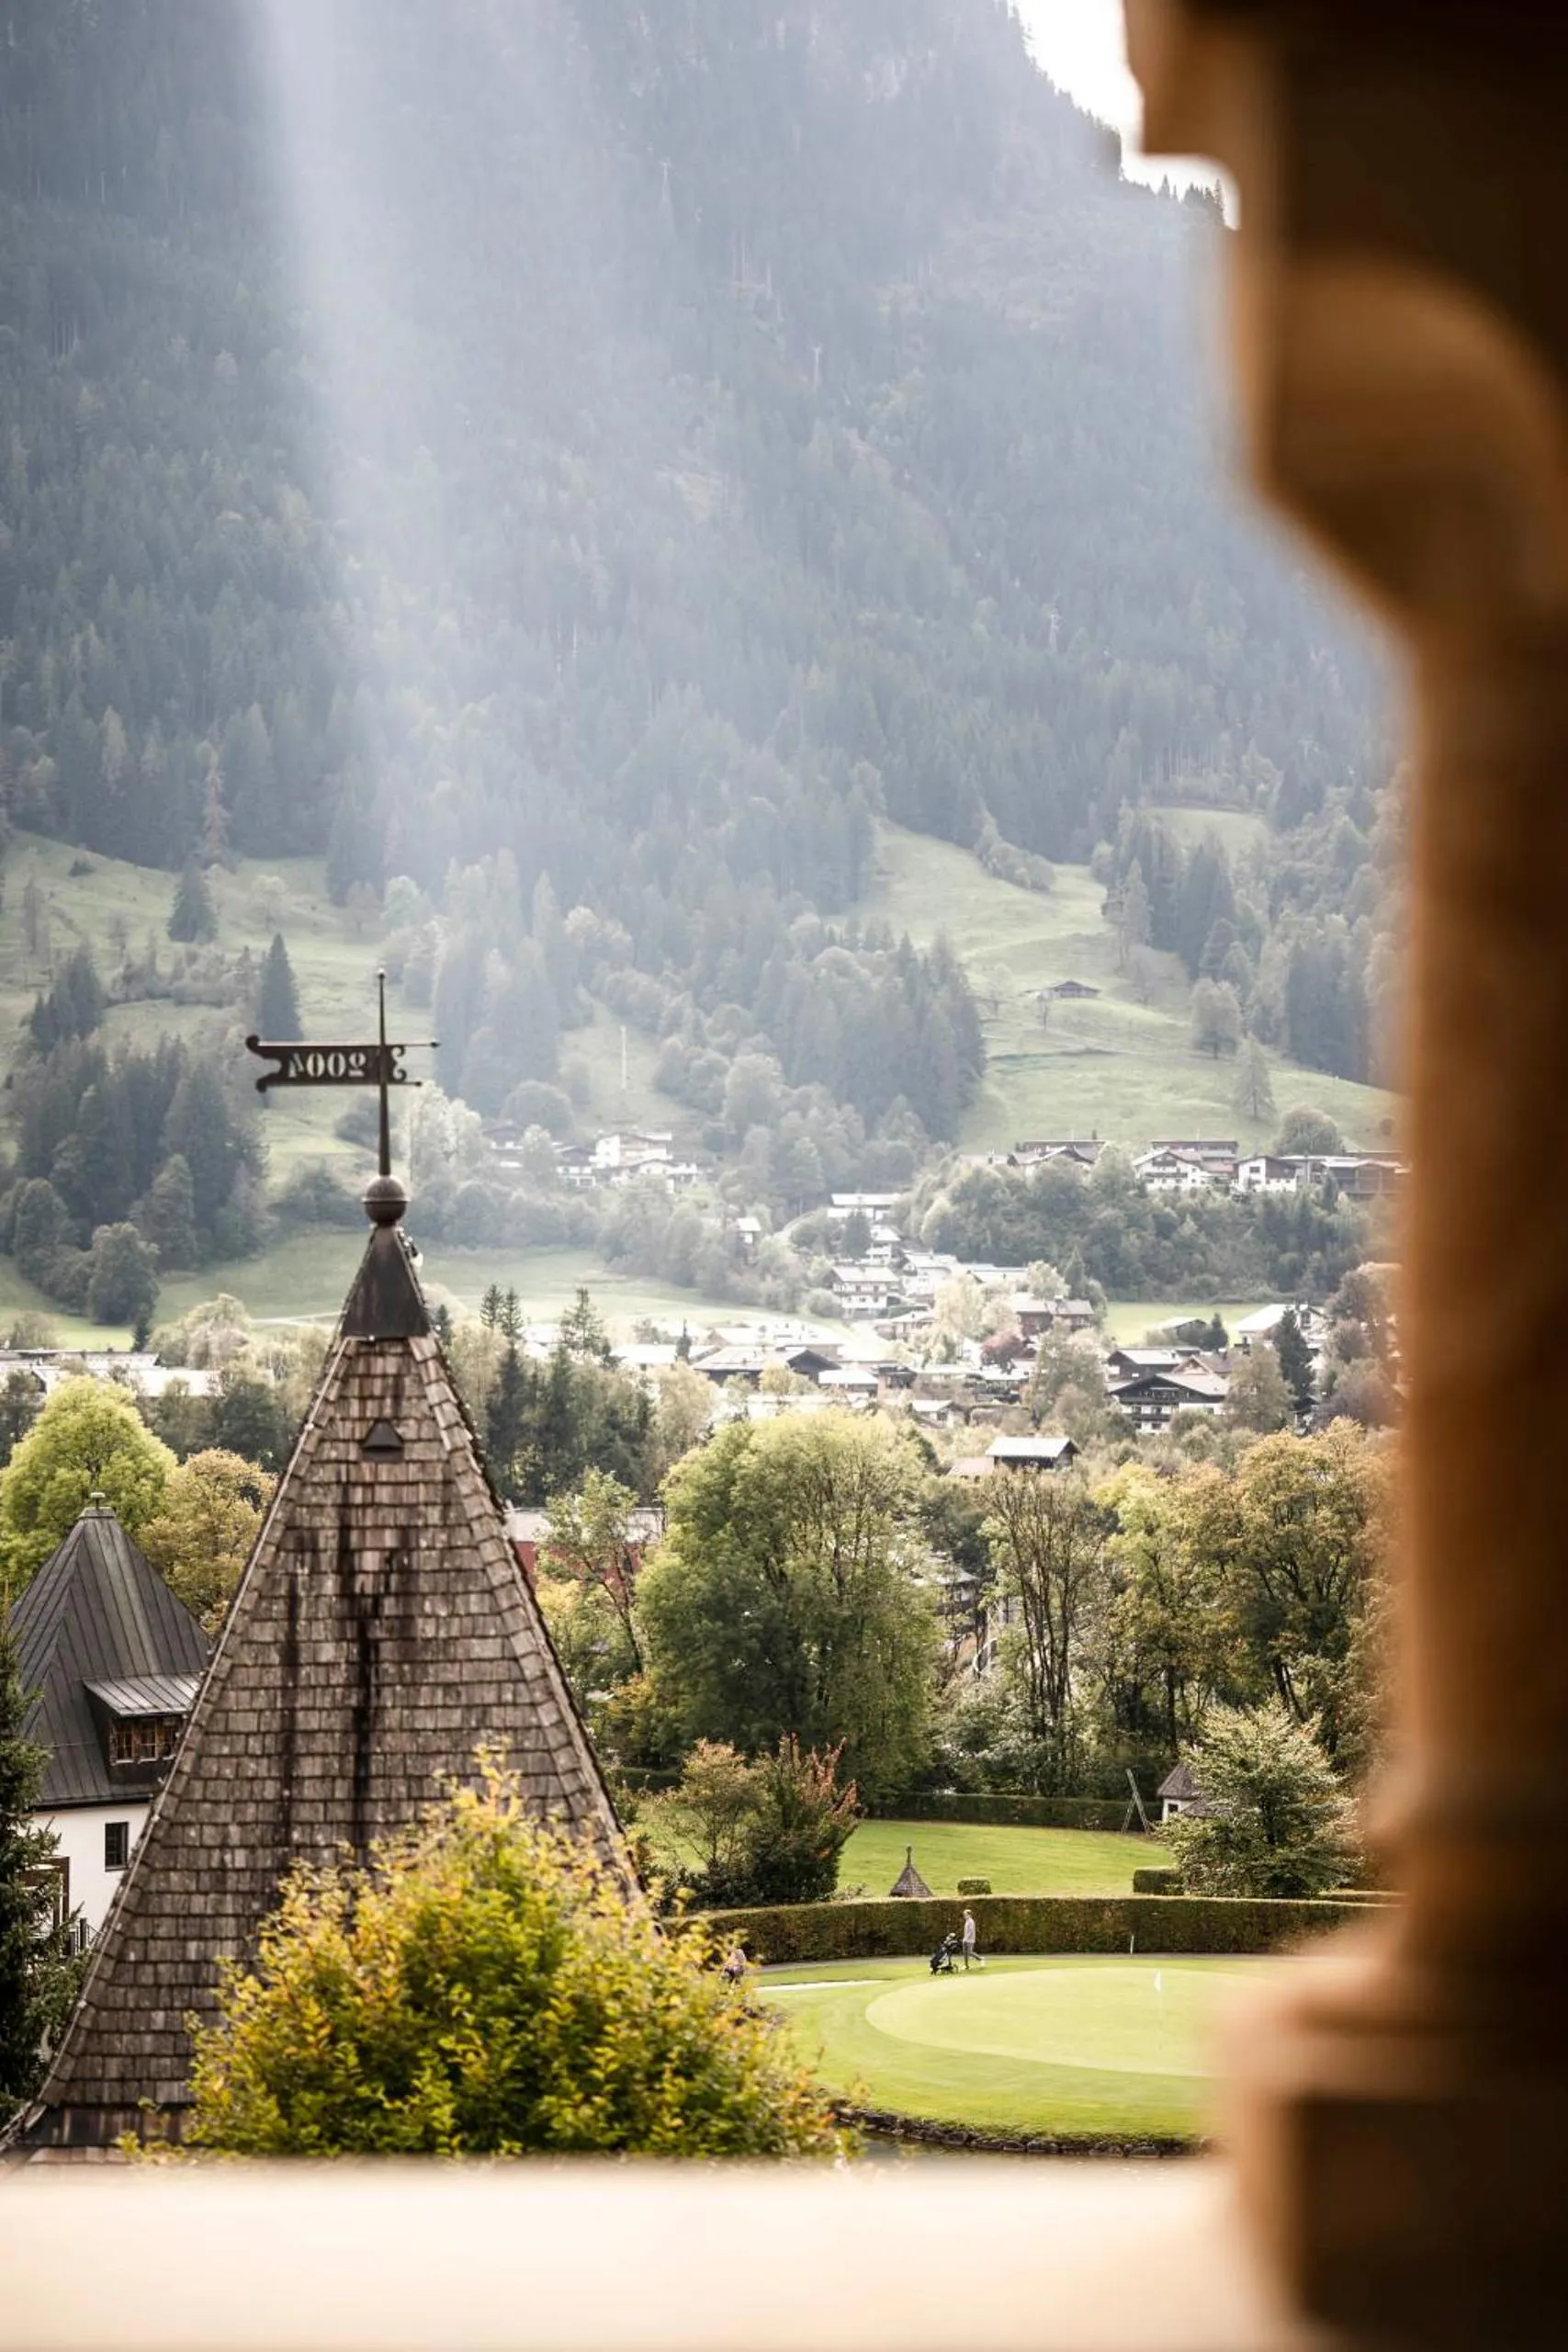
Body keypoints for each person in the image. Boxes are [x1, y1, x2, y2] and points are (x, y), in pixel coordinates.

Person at [961, 1907, 977, 1971]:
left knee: (970, 1952)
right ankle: (966, 1966)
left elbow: (971, 1931)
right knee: (965, 1953)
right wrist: (964, 1938)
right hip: (965, 1939)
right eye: (964, 1914)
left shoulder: (971, 1921)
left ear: (969, 1915)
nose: (964, 1916)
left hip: (970, 1940)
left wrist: (966, 1938)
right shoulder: (967, 1921)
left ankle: (980, 1958)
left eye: (966, 1914)